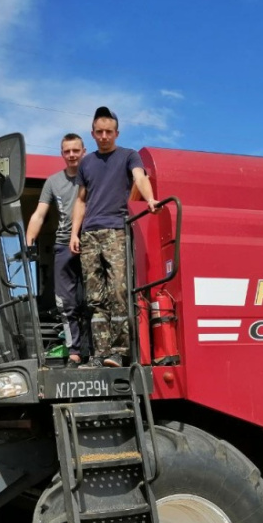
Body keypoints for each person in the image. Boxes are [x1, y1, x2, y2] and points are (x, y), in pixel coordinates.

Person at [70, 106, 158, 368]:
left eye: (109, 132)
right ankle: (99, 354)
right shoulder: (86, 163)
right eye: (99, 132)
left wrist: (150, 198)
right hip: (89, 234)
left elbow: (139, 178)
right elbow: (80, 201)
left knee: (118, 290)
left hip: (116, 230)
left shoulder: (129, 156)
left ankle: (119, 352)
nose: (104, 136)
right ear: (93, 134)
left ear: (117, 133)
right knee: (94, 298)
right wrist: (75, 233)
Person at [26, 133, 87, 367]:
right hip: (63, 244)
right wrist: (29, 242)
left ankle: (96, 350)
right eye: (67, 151)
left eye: (75, 150)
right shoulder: (53, 182)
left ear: (84, 151)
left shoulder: (92, 177)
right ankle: (74, 352)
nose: (71, 155)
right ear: (62, 154)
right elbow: (40, 213)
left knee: (92, 300)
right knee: (66, 302)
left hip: (91, 240)